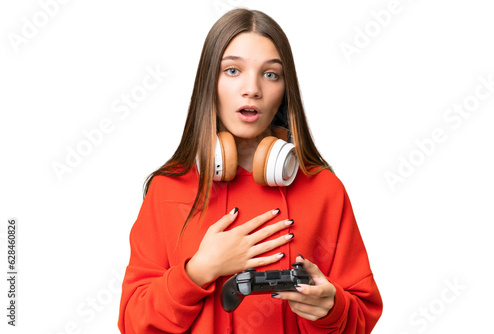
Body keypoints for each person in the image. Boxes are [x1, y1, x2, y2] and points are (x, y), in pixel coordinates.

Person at [118, 8, 382, 334]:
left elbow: (360, 316)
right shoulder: (169, 188)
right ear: (209, 84)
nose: (252, 88)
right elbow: (133, 322)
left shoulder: (324, 189)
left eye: (270, 74)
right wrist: (199, 270)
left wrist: (331, 308)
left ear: (285, 91)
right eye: (232, 70)